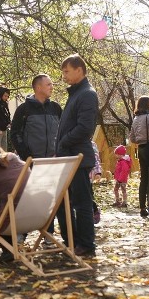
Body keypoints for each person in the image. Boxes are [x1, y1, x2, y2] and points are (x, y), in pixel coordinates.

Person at [55, 54, 99, 256]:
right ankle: (72, 240)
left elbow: (85, 128)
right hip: (68, 157)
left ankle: (86, 244)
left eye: (67, 71)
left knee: (82, 203)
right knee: (65, 203)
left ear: (79, 70)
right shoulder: (75, 93)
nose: (64, 76)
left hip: (78, 158)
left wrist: (64, 142)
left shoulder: (87, 94)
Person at [11, 74, 61, 161]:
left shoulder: (56, 108)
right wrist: (27, 157)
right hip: (32, 163)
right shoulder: (23, 109)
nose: (52, 87)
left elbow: (64, 131)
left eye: (52, 84)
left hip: (54, 162)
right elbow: (15, 134)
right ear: (38, 88)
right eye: (48, 84)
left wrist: (59, 153)